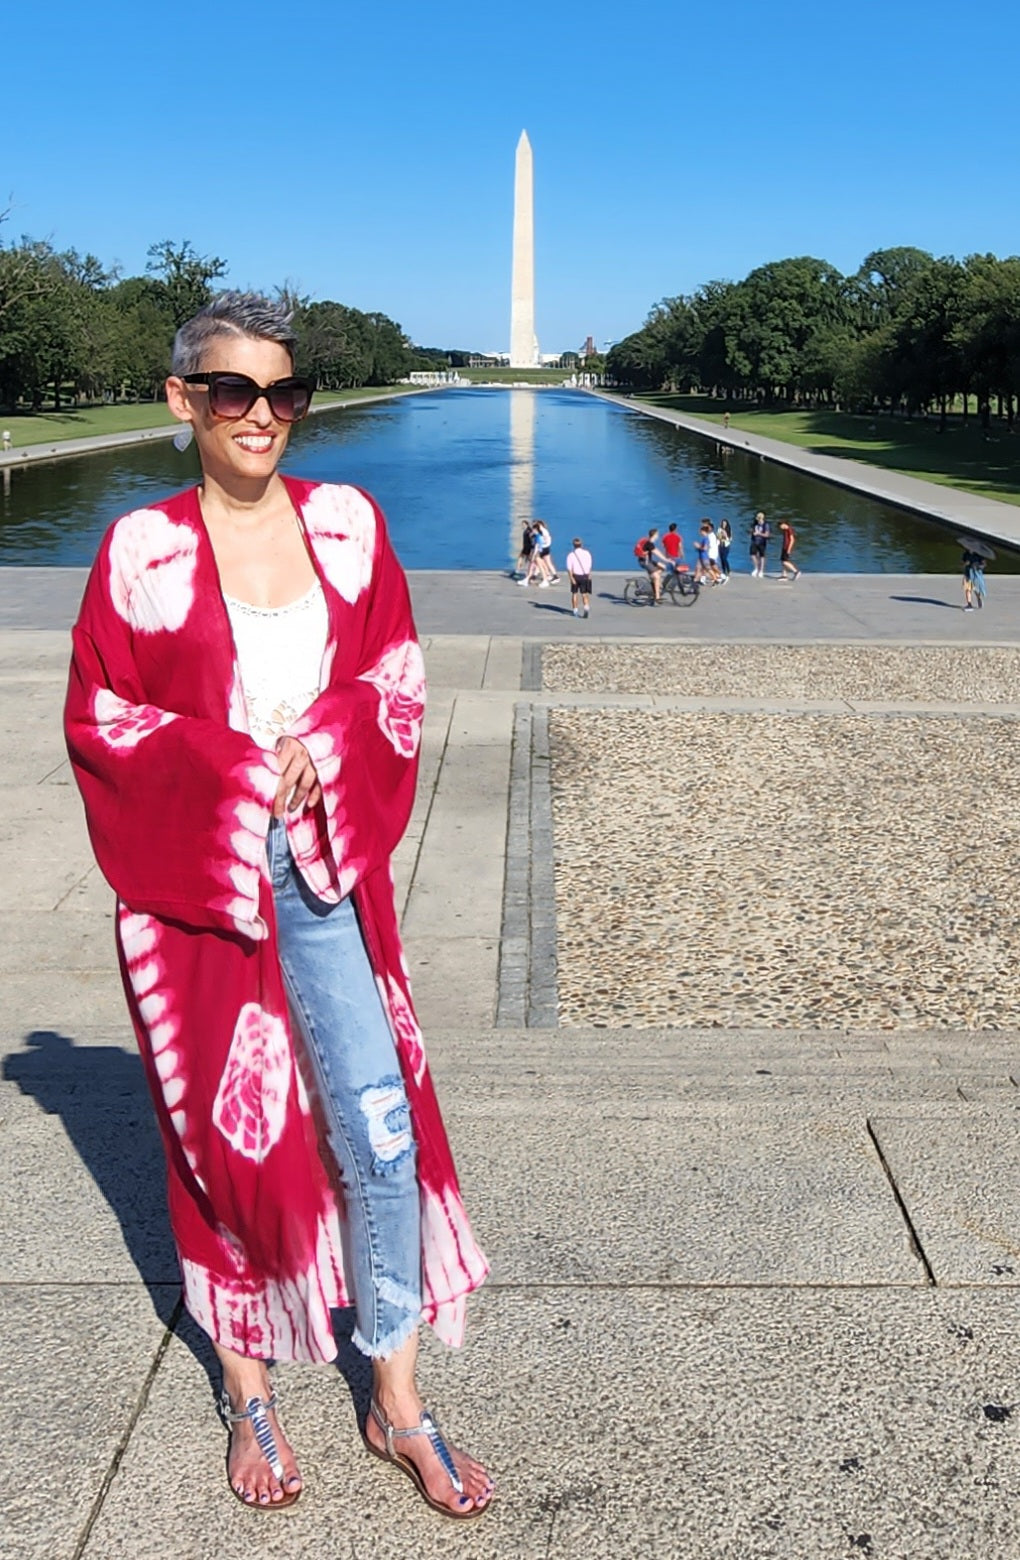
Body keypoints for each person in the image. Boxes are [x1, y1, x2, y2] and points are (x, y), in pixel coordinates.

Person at [64, 294, 493, 1519]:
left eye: (283, 393)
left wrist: (324, 736)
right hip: (197, 880)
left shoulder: (350, 526)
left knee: (382, 1129)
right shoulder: (140, 550)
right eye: (233, 391)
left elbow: (395, 675)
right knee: (228, 1146)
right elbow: (102, 718)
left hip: (321, 875)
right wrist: (243, 763)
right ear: (182, 400)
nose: (262, 415)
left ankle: (395, 1397)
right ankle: (250, 1386)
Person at [636, 527, 668, 603]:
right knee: (657, 576)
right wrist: (666, 559)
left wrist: (665, 560)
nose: (658, 536)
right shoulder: (649, 543)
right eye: (657, 535)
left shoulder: (650, 542)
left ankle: (653, 582)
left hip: (649, 560)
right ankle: (657, 597)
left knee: (663, 567)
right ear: (654, 535)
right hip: (644, 562)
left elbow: (656, 550)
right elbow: (656, 552)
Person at [565, 535, 593, 617]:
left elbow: (569, 568)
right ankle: (586, 607)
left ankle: (575, 610)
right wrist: (589, 574)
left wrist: (571, 578)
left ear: (573, 545)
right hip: (584, 576)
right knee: (584, 593)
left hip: (575, 576)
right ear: (581, 545)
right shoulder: (587, 553)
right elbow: (589, 565)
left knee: (574, 593)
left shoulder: (571, 555)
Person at [749, 511, 770, 578]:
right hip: (754, 541)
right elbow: (752, 531)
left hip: (762, 542)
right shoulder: (755, 524)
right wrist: (752, 533)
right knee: (752, 555)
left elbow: (767, 535)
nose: (758, 520)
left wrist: (759, 533)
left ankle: (761, 570)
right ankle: (756, 568)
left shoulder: (765, 525)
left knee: (762, 556)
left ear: (762, 519)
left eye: (759, 519)